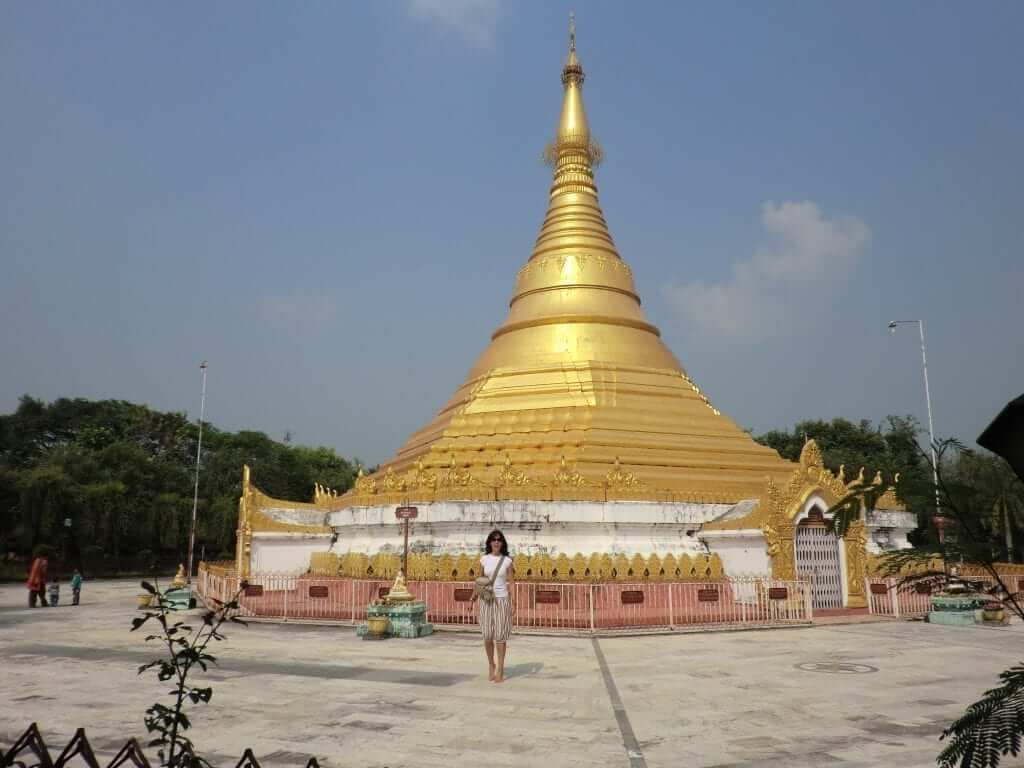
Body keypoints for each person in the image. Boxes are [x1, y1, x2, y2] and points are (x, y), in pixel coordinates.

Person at [477, 529, 514, 683]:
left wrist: (515, 602)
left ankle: (500, 669)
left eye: (499, 540)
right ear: (490, 542)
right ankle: (491, 664)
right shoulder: (484, 559)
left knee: (500, 636)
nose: (496, 542)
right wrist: (474, 601)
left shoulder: (507, 561)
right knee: (487, 635)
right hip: (486, 599)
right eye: (494, 539)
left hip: (502, 600)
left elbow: (511, 582)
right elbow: (480, 580)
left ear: (502, 543)